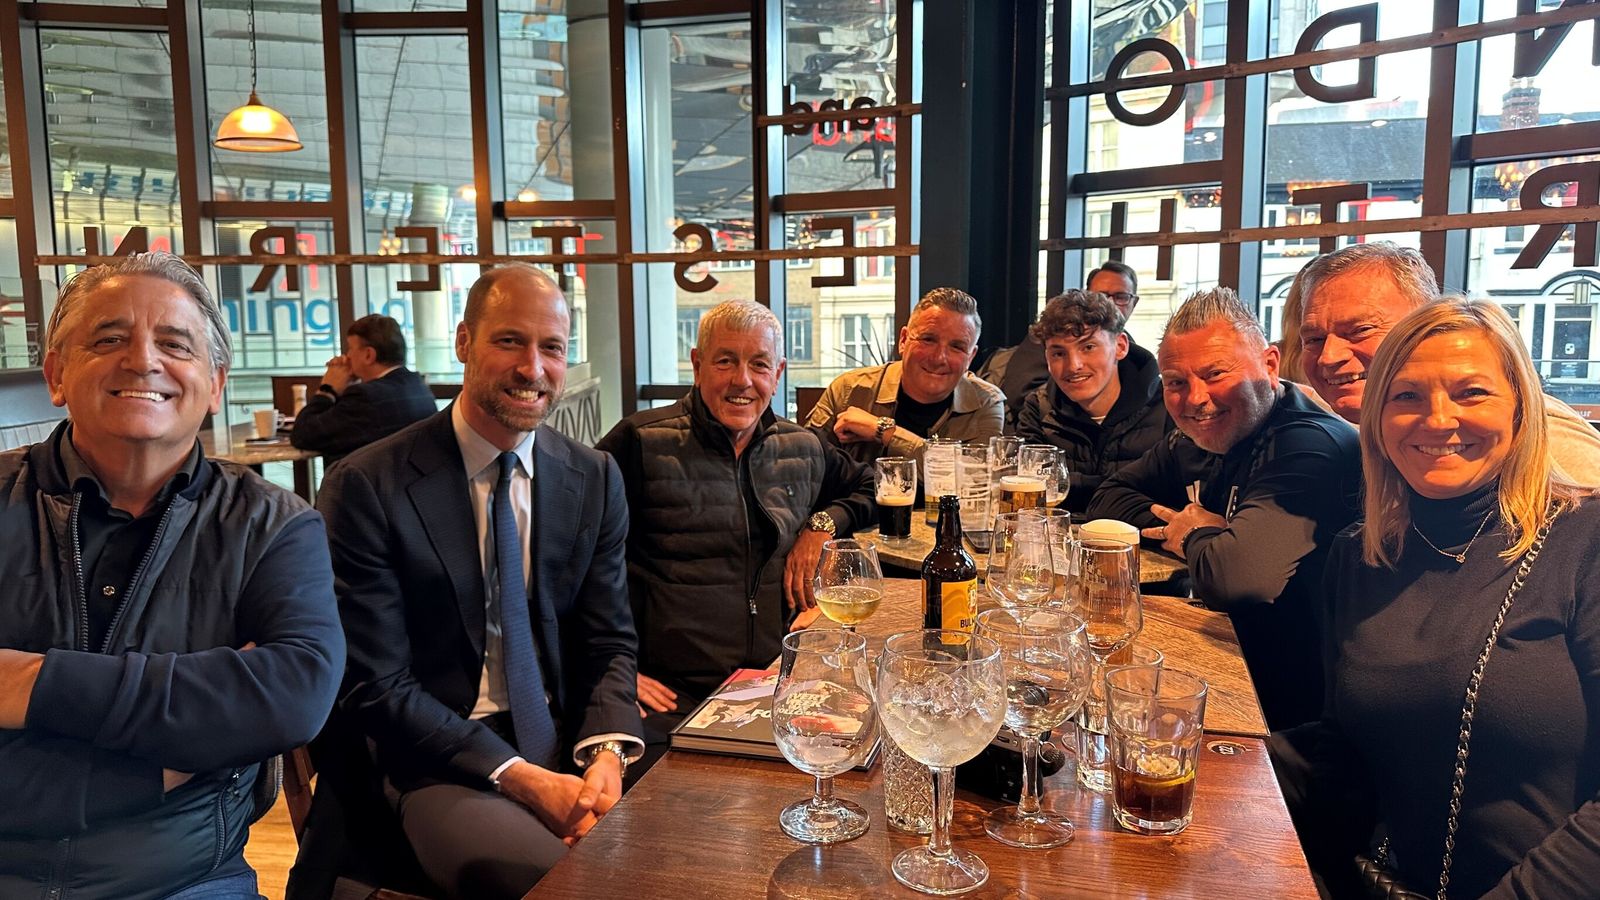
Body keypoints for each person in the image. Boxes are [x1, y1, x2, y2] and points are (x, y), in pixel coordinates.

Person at [0, 252, 345, 900]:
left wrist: (28, 684)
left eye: (174, 344)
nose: (143, 360)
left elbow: (295, 692)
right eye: (109, 339)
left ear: (214, 385)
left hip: (187, 881)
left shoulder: (272, 525)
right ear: (56, 374)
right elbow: (251, 705)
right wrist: (171, 762)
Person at [308, 264, 641, 899]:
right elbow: (376, 686)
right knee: (558, 883)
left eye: (552, 348)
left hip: (565, 738)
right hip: (433, 757)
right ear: (463, 343)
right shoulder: (368, 485)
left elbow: (610, 641)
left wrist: (605, 752)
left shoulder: (593, 477)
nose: (532, 369)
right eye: (509, 341)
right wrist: (521, 776)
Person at [1273, 299, 1600, 898]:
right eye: (1407, 397)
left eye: (1471, 393)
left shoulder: (1586, 539)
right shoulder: (1359, 556)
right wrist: (1193, 754)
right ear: (1376, 418)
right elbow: (1344, 756)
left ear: (1522, 408)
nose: (1439, 419)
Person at [597, 300, 874, 773]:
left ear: (779, 371)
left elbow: (872, 487)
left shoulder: (802, 446)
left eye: (759, 364)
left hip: (774, 683)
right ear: (697, 364)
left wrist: (819, 527)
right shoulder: (640, 442)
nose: (742, 380)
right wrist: (613, 672)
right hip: (668, 692)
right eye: (725, 360)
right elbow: (573, 565)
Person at [1086, 287, 1359, 730]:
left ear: (1270, 366)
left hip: (1294, 712)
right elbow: (1110, 497)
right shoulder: (1198, 436)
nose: (1195, 398)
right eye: (1176, 382)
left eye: (1216, 374)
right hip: (1223, 661)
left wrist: (1196, 537)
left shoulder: (1308, 442)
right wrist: (1185, 526)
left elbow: (1238, 577)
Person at [1294, 241, 1600, 485]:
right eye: (1314, 339)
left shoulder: (1540, 433)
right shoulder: (1363, 427)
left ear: (1427, 320)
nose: (1329, 357)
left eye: (1360, 330)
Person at [1014, 289, 1172, 513]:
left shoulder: (1167, 405)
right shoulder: (1038, 408)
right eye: (1059, 354)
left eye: (1088, 347)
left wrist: (1070, 484)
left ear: (1120, 346)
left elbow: (1168, 496)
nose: (1074, 365)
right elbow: (1029, 491)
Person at [805, 287, 1003, 464]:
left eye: (957, 347)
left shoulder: (986, 402)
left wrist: (885, 431)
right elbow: (804, 463)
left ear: (971, 357)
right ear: (903, 340)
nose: (939, 358)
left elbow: (973, 481)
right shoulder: (849, 391)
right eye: (928, 339)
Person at [987, 261, 1142, 430]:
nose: (1110, 303)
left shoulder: (1156, 407)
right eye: (1102, 296)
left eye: (1121, 297)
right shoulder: (1050, 334)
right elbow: (1021, 391)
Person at [289, 314, 437, 465]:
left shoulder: (365, 397)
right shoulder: (418, 385)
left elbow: (302, 435)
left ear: (368, 355)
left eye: (351, 349)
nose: (347, 356)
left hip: (365, 487)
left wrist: (328, 389)